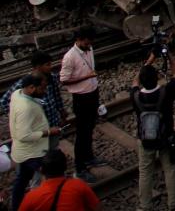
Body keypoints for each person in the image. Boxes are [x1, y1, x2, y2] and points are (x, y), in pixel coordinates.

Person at [131, 50, 175, 211]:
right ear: (158, 77)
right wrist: (169, 55)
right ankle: (173, 204)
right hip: (165, 137)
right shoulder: (166, 91)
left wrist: (150, 58)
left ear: (142, 82)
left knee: (145, 172)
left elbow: (135, 80)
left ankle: (145, 206)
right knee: (170, 170)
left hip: (145, 138)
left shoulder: (136, 96)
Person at [9, 74, 59, 211]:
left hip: (22, 152)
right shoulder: (26, 107)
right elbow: (24, 135)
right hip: (33, 153)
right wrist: (48, 132)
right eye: (42, 89)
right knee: (50, 178)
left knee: (21, 180)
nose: (44, 92)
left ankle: (16, 207)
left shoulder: (17, 94)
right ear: (31, 88)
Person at [59, 26, 103, 182]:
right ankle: (80, 168)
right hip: (81, 97)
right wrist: (86, 77)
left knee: (90, 127)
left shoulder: (89, 49)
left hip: (92, 93)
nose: (90, 44)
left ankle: (89, 157)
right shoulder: (70, 57)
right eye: (87, 41)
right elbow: (64, 80)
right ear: (79, 40)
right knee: (82, 133)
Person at [0, 51, 65, 150]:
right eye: (47, 65)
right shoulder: (25, 83)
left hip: (52, 123)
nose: (50, 67)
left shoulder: (51, 78)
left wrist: (61, 112)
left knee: (52, 149)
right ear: (38, 66)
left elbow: (57, 96)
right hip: (38, 129)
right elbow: (4, 101)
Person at [17, 150, 99, 211]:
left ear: (41, 170)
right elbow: (96, 207)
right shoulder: (79, 185)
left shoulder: (31, 197)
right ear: (65, 168)